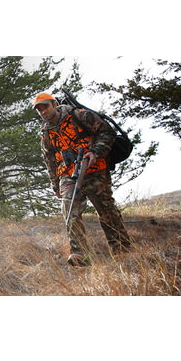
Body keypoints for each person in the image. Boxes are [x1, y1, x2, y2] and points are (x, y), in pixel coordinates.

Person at [34, 92, 132, 266]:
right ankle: (80, 254)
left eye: (45, 107)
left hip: (94, 169)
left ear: (54, 105)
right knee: (70, 211)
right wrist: (55, 185)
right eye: (39, 110)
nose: (43, 112)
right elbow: (49, 161)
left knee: (106, 210)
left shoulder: (79, 115)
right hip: (68, 175)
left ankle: (122, 251)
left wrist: (95, 153)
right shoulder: (45, 134)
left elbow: (107, 133)